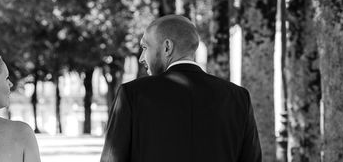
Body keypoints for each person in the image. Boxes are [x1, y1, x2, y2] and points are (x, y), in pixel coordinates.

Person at [100, 15, 262, 162]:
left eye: (145, 48)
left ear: (167, 47)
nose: (142, 58)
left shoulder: (132, 94)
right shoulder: (238, 97)